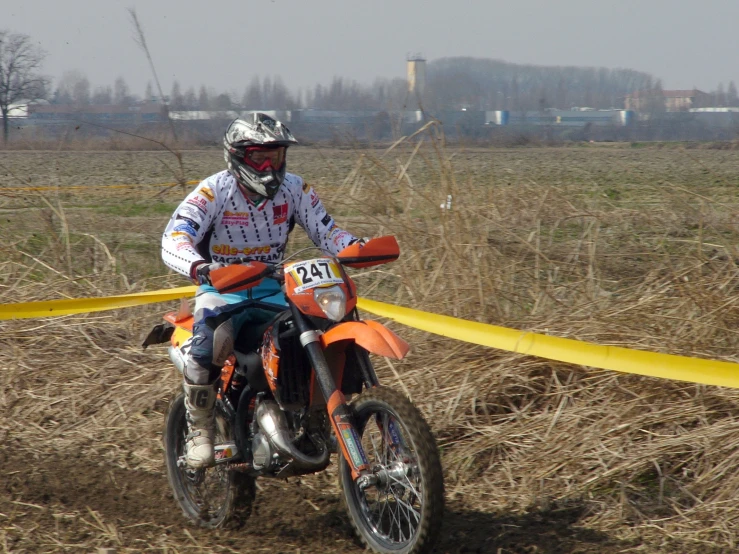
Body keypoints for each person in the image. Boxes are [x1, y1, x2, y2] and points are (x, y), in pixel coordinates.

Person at [161, 112, 362, 469]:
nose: (270, 165)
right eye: (259, 156)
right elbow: (174, 237)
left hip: (276, 289)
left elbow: (328, 232)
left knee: (325, 329)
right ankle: (201, 430)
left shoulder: (295, 189)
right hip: (223, 290)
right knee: (212, 342)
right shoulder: (213, 191)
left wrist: (354, 247)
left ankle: (315, 414)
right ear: (237, 156)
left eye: (277, 155)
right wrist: (201, 267)